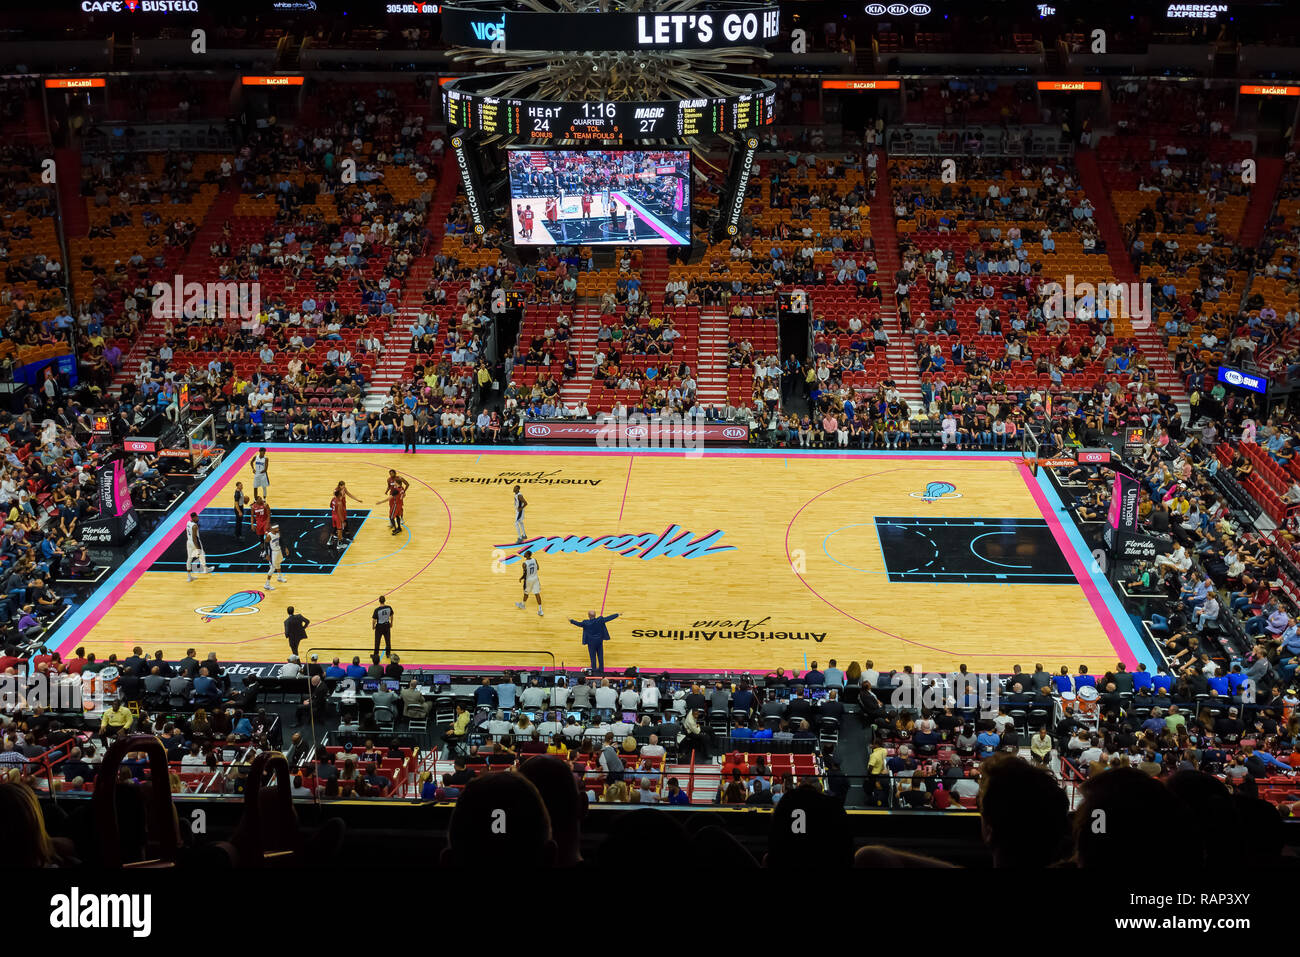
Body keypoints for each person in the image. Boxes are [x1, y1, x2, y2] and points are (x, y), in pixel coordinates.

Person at [570, 610, 619, 674]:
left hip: (591, 642)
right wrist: (617, 614)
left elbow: (578, 624)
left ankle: (594, 670)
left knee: (593, 657)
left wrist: (571, 621)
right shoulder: (600, 620)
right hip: (599, 641)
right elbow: (608, 618)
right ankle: (601, 670)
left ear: (588, 616)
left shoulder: (585, 622)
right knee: (600, 656)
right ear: (595, 615)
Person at [330, 481, 364, 549]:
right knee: (343, 522)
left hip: (342, 507)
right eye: (343, 486)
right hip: (339, 509)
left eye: (344, 485)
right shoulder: (336, 492)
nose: (344, 487)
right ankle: (346, 537)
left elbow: (349, 494)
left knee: (341, 524)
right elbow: (338, 499)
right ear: (339, 485)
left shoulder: (344, 489)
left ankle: (332, 538)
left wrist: (357, 499)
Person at [378, 469, 410, 535]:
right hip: (399, 502)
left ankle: (396, 529)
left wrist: (380, 502)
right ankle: (399, 528)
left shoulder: (396, 490)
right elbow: (403, 495)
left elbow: (389, 498)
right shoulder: (401, 488)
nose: (394, 483)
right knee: (397, 516)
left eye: (395, 482)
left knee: (391, 517)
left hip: (396, 503)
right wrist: (401, 496)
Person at [185, 511, 210, 582]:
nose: (198, 518)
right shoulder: (195, 526)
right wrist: (197, 548)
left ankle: (189, 577)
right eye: (197, 517)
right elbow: (194, 538)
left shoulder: (188, 523)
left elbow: (186, 531)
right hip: (194, 542)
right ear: (194, 517)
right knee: (202, 555)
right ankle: (205, 569)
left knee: (189, 559)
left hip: (188, 542)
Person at [263, 523, 287, 590]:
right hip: (273, 553)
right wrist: (267, 555)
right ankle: (267, 584)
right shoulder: (269, 536)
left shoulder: (278, 533)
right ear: (273, 529)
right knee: (272, 568)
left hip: (278, 551)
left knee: (278, 563)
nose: (278, 529)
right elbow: (265, 545)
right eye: (277, 528)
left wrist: (285, 548)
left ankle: (279, 577)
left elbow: (281, 541)